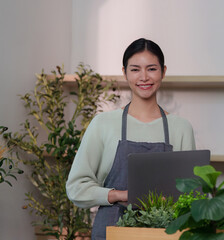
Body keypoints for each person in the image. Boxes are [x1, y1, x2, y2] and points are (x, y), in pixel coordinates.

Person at [66, 38, 196, 240]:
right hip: (111, 232)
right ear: (124, 72)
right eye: (135, 69)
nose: (144, 77)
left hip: (165, 234)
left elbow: (192, 196)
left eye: (151, 69)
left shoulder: (181, 128)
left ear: (163, 71)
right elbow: (76, 188)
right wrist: (122, 195)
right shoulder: (103, 124)